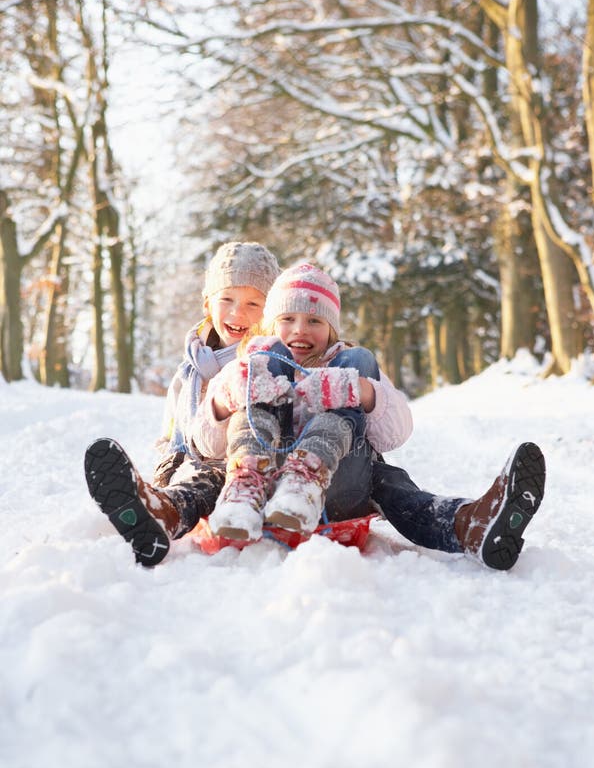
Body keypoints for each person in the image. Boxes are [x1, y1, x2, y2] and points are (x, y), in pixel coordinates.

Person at [205, 262, 546, 571]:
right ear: (269, 323)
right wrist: (226, 397)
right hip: (258, 485)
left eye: (314, 320)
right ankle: (253, 483)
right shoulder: (247, 362)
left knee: (386, 473)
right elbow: (203, 442)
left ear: (331, 327)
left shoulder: (347, 364)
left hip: (335, 484)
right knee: (262, 361)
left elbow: (396, 434)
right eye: (287, 320)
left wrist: (363, 392)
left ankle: (474, 524)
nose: (300, 330)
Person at [84, 241, 281, 566]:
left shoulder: (271, 360)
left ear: (270, 310)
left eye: (253, 303)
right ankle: (152, 505)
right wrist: (166, 471)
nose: (237, 313)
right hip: (195, 460)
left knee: (209, 482)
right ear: (207, 304)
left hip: (250, 470)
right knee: (191, 479)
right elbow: (173, 435)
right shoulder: (190, 371)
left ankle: (165, 514)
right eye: (227, 299)